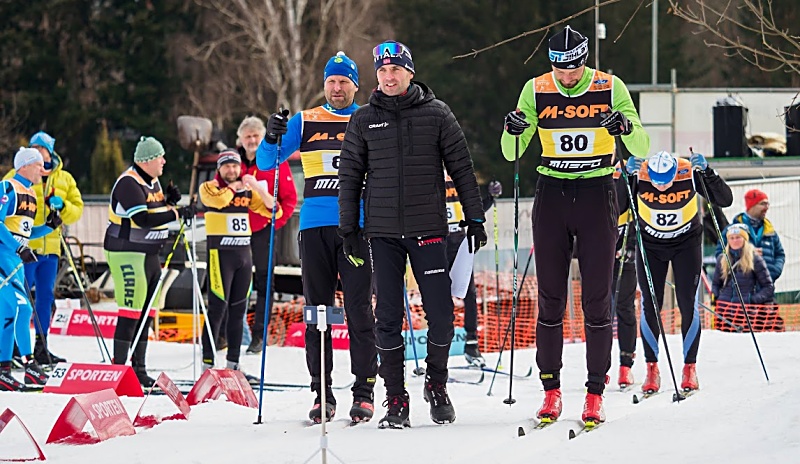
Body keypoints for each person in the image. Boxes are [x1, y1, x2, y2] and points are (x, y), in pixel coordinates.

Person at [501, 25, 650, 426]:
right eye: (560, 69)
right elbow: (512, 150)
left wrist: (625, 127)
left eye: (574, 69)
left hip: (597, 192)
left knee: (597, 301)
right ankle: (550, 391)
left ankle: (594, 393)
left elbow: (642, 147)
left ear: (585, 61)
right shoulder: (535, 89)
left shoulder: (610, 86)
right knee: (550, 298)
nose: (567, 78)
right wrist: (512, 130)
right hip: (552, 193)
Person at [339, 40, 487, 429]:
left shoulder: (437, 114)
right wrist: (348, 230)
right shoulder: (363, 119)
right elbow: (349, 178)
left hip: (428, 230)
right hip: (382, 234)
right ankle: (396, 398)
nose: (388, 77)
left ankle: (436, 385)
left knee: (441, 317)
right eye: (382, 71)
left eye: (396, 70)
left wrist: (475, 218)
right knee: (386, 317)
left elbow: (462, 169)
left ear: (410, 73)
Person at [257, 52, 378, 425]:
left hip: (357, 228)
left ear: (356, 85)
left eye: (343, 81)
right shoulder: (306, 119)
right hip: (314, 227)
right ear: (324, 84)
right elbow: (266, 162)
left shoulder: (368, 118)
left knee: (360, 311)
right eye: (331, 81)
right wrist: (272, 135)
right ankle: (320, 392)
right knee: (317, 312)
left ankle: (364, 391)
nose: (336, 88)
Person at [626, 150, 732, 394]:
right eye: (656, 181)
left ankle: (689, 367)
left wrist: (708, 172)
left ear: (675, 172)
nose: (661, 187)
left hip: (686, 244)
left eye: (666, 181)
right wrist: (624, 178)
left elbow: (724, 199)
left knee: (688, 303)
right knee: (651, 305)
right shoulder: (641, 175)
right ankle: (652, 368)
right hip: (651, 246)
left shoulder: (688, 173)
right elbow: (619, 205)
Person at [104, 136, 195, 387]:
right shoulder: (128, 183)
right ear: (147, 161)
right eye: (160, 157)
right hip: (127, 252)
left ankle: (139, 369)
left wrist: (168, 202)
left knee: (148, 312)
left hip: (150, 253)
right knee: (131, 311)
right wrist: (175, 212)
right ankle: (119, 370)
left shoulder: (152, 180)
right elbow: (143, 218)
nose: (164, 161)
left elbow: (155, 210)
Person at [3, 131, 84, 365]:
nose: (39, 154)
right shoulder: (16, 176)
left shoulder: (64, 178)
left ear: (50, 152)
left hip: (50, 248)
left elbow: (77, 210)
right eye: (34, 149)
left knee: (45, 297)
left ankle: (41, 345)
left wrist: (63, 208)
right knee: (20, 297)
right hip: (23, 250)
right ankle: (17, 350)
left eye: (43, 149)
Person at [198, 149, 278, 374]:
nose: (232, 170)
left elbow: (275, 211)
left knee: (238, 309)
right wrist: (233, 188)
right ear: (219, 169)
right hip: (219, 256)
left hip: (243, 257)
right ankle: (207, 362)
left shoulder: (247, 192)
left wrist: (259, 187)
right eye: (227, 166)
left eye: (235, 166)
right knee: (217, 309)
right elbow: (218, 202)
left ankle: (233, 363)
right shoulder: (210, 187)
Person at [236, 116, 297, 355]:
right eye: (247, 136)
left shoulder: (275, 162)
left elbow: (290, 200)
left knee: (264, 283)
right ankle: (231, 334)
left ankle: (259, 335)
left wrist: (275, 224)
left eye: (256, 136)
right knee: (235, 285)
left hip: (263, 231)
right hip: (235, 232)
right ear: (240, 139)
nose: (252, 141)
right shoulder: (233, 164)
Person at [0, 148, 57, 390]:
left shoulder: (31, 194)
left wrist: (48, 227)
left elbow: (26, 232)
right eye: (39, 166)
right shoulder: (7, 187)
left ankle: (22, 366)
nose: (42, 171)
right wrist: (16, 248)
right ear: (24, 165)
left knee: (21, 312)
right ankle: (15, 366)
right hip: (4, 256)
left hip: (16, 260)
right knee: (12, 310)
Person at [443, 173, 500, 368]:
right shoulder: (426, 174)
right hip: (437, 242)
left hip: (459, 242)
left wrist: (490, 198)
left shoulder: (457, 178)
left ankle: (471, 344)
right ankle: (439, 347)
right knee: (437, 296)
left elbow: (475, 208)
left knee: (469, 294)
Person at [712, 224, 780, 331]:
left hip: (746, 314)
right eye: (732, 238)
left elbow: (768, 287)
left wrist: (752, 300)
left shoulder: (755, 259)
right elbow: (716, 283)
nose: (735, 241)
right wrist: (717, 297)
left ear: (744, 239)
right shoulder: (722, 259)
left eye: (738, 237)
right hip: (724, 313)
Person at [716, 189, 785, 283]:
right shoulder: (731, 231)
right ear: (751, 206)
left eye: (767, 204)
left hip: (766, 287)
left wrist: (774, 271)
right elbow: (720, 255)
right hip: (740, 288)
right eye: (763, 204)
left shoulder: (770, 231)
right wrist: (745, 253)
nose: (767, 207)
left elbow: (780, 254)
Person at [612, 163, 638, 389]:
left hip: (623, 253)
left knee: (625, 308)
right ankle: (597, 367)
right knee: (595, 310)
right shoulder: (592, 166)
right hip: (599, 251)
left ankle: (625, 365)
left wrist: (631, 247)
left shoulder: (627, 171)